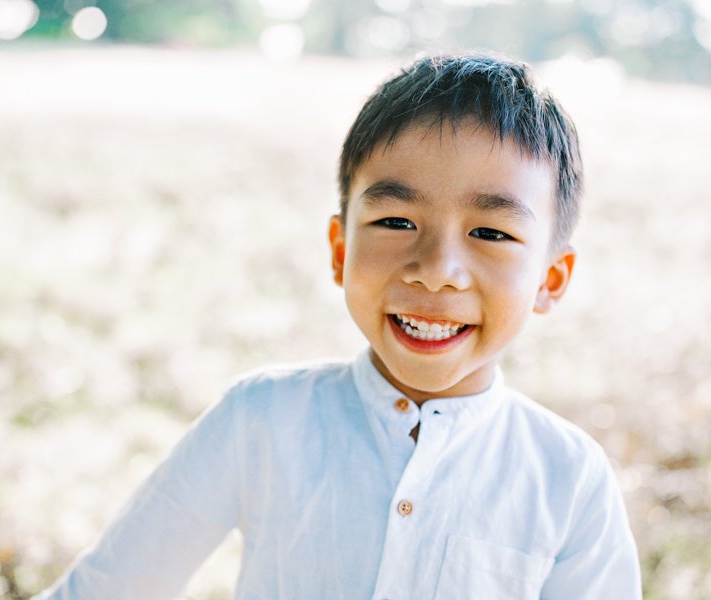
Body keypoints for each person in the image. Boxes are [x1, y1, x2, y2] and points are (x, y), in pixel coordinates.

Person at [37, 53, 642, 599]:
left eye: (491, 233)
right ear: (339, 248)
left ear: (550, 280)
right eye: (396, 221)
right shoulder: (263, 419)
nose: (436, 273)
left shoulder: (568, 480)